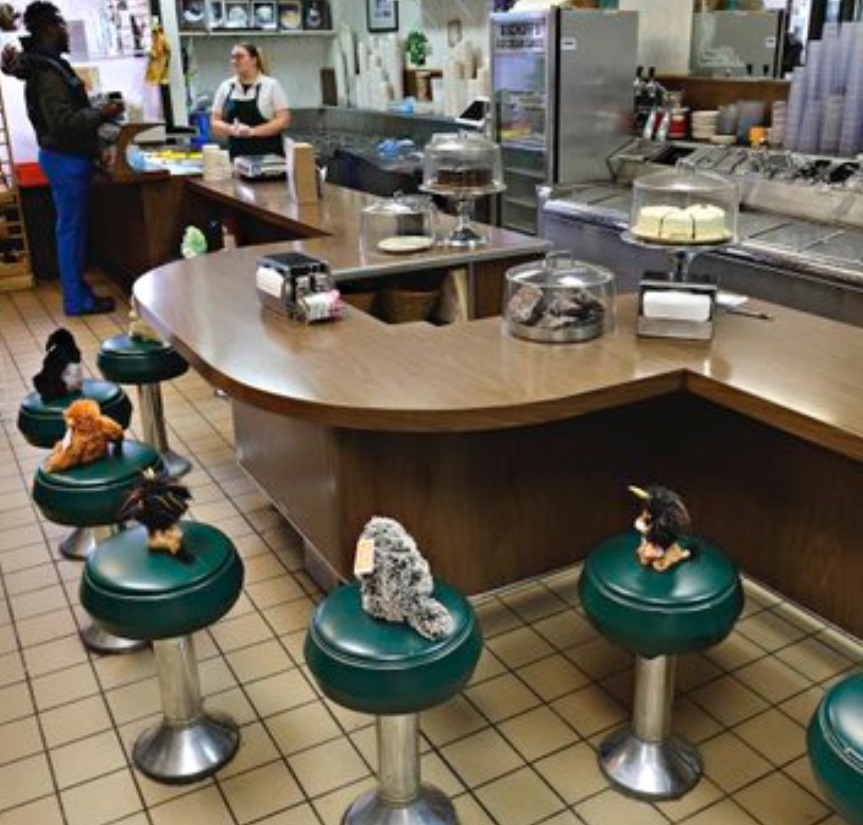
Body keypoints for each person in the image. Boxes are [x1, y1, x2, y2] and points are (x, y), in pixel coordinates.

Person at [1, 2, 123, 316]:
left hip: (62, 157)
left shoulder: (45, 65)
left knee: (70, 230)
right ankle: (77, 301)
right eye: (62, 25)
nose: (67, 31)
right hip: (66, 159)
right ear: (48, 31)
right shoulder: (48, 73)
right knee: (71, 231)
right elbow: (64, 122)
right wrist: (104, 111)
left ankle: (78, 295)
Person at [210, 42, 290, 159]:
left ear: (254, 60)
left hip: (269, 159)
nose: (235, 61)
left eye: (240, 56)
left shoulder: (271, 85)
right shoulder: (226, 86)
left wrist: (252, 131)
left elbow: (283, 121)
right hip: (237, 158)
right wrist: (231, 129)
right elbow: (214, 122)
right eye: (233, 57)